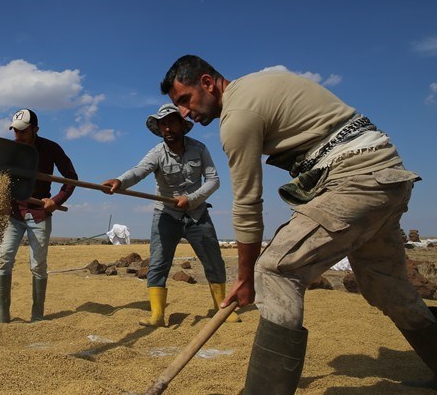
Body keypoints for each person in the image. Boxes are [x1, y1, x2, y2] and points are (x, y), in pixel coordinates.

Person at [160, 54, 435, 392]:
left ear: (207, 82)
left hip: (357, 180)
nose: (185, 113)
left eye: (185, 100)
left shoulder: (237, 115)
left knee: (274, 270)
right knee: (386, 287)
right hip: (387, 176)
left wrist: (246, 277)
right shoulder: (257, 87)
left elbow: (247, 203)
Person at [101, 103, 240, 327]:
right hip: (166, 215)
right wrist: (120, 181)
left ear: (181, 125)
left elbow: (214, 180)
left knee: (214, 260)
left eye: (171, 122)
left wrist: (192, 199)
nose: (167, 128)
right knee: (158, 264)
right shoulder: (156, 153)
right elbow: (139, 171)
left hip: (197, 214)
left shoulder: (200, 149)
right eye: (162, 124)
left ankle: (220, 308)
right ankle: (157, 315)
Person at [0, 108, 77, 323]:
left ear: (35, 129)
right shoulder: (10, 149)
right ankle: (3, 313)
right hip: (14, 213)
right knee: (3, 259)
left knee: (38, 265)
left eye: (22, 132)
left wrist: (55, 201)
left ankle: (37, 315)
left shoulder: (51, 148)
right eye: (15, 131)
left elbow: (71, 178)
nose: (17, 136)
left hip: (40, 213)